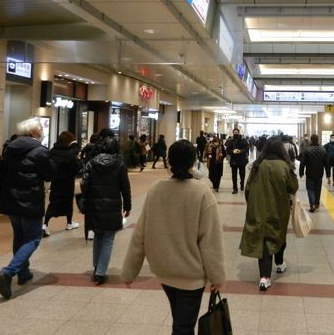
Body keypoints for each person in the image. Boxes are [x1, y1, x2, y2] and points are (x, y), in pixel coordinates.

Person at [122, 140, 225, 335]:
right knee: (183, 327)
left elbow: (140, 233)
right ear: (193, 162)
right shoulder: (201, 192)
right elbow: (210, 240)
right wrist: (217, 276)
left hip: (164, 271)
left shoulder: (156, 189)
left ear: (169, 161)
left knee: (180, 322)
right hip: (190, 274)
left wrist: (130, 271)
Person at [0, 118, 56, 299]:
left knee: (19, 236)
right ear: (33, 133)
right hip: (30, 201)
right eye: (40, 129)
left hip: (10, 200)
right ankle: (9, 271)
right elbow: (50, 174)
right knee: (33, 239)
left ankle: (23, 273)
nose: (41, 132)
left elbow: (1, 170)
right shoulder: (39, 151)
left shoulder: (9, 148)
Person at [240, 137, 298, 291]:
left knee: (264, 240)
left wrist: (253, 204)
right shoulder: (285, 166)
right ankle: (279, 263)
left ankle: (264, 277)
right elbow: (293, 187)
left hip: (259, 208)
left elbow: (248, 189)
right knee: (279, 235)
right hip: (279, 208)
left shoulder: (258, 165)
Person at [81, 136, 131, 285]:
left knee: (98, 235)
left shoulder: (91, 163)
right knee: (108, 238)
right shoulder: (120, 164)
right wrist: (128, 206)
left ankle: (97, 267)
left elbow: (85, 184)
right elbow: (125, 187)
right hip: (112, 206)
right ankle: (101, 272)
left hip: (94, 205)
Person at [43, 131, 82, 237]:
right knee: (68, 202)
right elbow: (77, 168)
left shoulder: (53, 151)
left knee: (53, 203)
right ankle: (69, 223)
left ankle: (45, 224)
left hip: (56, 181)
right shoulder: (70, 153)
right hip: (67, 182)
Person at [299, 134, 328, 212]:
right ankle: (317, 203)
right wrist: (328, 175)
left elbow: (303, 162)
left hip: (310, 173)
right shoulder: (323, 150)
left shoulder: (307, 150)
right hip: (319, 173)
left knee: (310, 189)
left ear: (311, 140)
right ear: (318, 140)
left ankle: (312, 204)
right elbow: (326, 163)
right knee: (318, 189)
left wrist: (301, 172)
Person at [225, 127, 250, 194]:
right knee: (234, 175)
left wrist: (240, 151)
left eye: (237, 132)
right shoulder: (231, 141)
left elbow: (247, 147)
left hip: (242, 160)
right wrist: (233, 151)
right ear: (233, 133)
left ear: (239, 133)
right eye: (234, 132)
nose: (235, 133)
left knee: (242, 174)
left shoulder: (243, 140)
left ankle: (242, 184)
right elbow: (228, 150)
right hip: (234, 160)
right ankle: (235, 188)